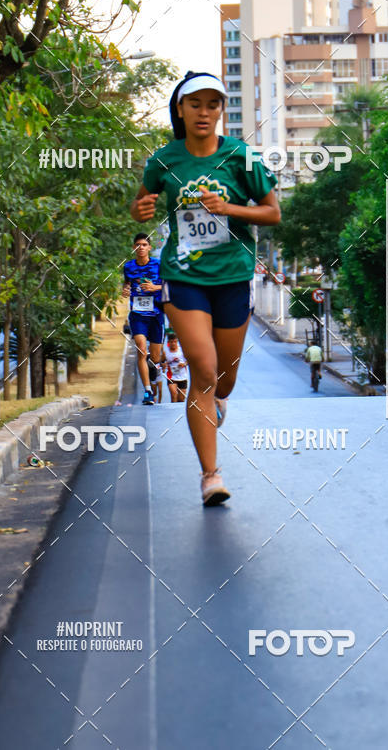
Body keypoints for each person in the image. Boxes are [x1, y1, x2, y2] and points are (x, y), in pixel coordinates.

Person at [130, 70, 280, 506]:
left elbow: (272, 213)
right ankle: (210, 476)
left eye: (213, 104)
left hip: (233, 276)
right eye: (195, 104)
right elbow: (143, 204)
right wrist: (141, 208)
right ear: (180, 109)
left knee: (224, 381)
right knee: (203, 369)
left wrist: (229, 207)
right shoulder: (164, 160)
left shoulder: (242, 156)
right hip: (183, 276)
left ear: (221, 110)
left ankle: (215, 403)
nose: (204, 112)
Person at [122, 233, 164, 405]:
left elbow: (169, 285)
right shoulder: (128, 267)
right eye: (138, 244)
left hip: (156, 314)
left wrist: (155, 287)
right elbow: (127, 284)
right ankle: (147, 392)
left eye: (144, 245)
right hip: (138, 315)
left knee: (155, 357)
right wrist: (125, 290)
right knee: (141, 348)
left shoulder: (158, 264)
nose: (141, 247)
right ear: (134, 247)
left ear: (149, 247)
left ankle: (153, 370)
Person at [163, 332, 189, 403]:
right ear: (168, 342)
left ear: (177, 341)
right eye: (171, 342)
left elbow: (189, 360)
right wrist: (164, 365)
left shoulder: (182, 351)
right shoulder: (166, 352)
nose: (173, 343)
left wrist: (184, 364)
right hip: (171, 377)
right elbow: (161, 362)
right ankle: (172, 411)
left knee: (181, 399)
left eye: (175, 342)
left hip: (182, 377)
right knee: (173, 395)